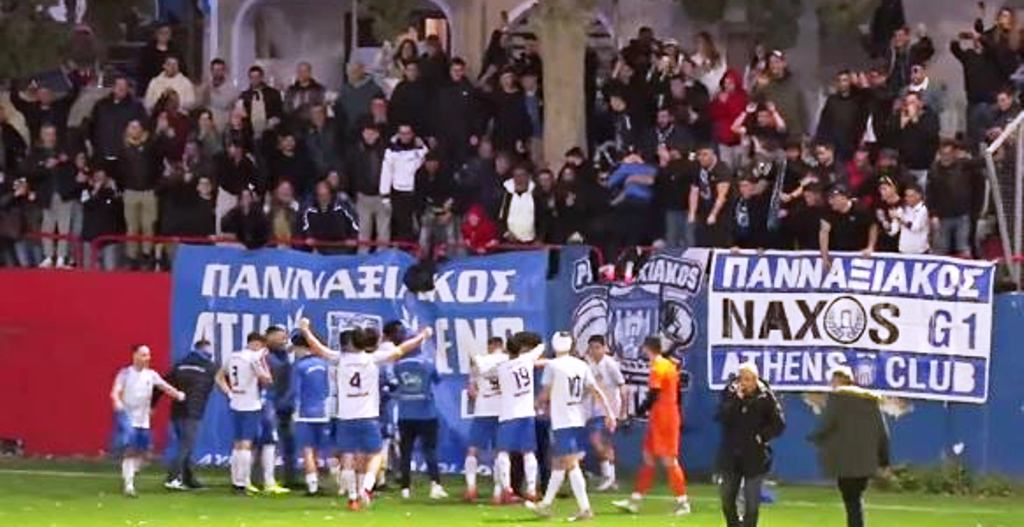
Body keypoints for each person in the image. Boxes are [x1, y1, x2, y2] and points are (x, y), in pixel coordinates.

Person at [297, 318, 432, 510]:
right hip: (368, 417)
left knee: (348, 457)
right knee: (375, 454)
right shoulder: (372, 359)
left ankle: (352, 497)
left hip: (345, 417)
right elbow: (402, 350)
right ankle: (366, 488)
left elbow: (317, 348)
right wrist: (422, 336)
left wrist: (305, 330)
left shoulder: (339, 359)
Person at [526, 332, 616, 522]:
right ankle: (546, 504)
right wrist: (609, 411)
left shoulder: (553, 366)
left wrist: (533, 406)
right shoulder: (581, 365)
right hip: (577, 417)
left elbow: (545, 393)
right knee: (559, 463)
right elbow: (596, 390)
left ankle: (585, 508)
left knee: (570, 464)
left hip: (563, 420)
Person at [612, 337, 691, 516]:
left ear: (647, 348)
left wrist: (636, 412)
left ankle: (683, 503)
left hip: (664, 418)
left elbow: (653, 395)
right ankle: (635, 500)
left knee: (669, 461)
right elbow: (677, 394)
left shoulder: (658, 367)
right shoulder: (669, 365)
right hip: (662, 417)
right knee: (648, 458)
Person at [808, 367, 891, 527]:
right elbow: (882, 433)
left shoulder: (837, 399)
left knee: (851, 501)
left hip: (844, 461)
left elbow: (827, 425)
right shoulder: (870, 400)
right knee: (855, 499)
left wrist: (813, 437)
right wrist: (884, 461)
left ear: (838, 381)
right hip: (866, 462)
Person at [472, 331, 546, 503]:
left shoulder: (502, 367)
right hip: (527, 413)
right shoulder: (527, 360)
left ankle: (506, 489)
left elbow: (482, 368)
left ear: (507, 350)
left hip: (508, 414)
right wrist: (531, 339)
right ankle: (531, 489)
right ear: (521, 349)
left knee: (503, 451)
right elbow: (541, 347)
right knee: (528, 451)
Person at [110, 344, 185, 497]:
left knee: (145, 453)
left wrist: (178, 394)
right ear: (135, 355)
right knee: (130, 450)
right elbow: (115, 391)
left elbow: (165, 387)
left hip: (143, 420)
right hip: (128, 417)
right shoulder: (125, 373)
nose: (147, 358)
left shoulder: (151, 375)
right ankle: (129, 484)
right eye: (144, 355)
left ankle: (130, 471)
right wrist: (117, 402)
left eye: (148, 355)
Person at [716, 362, 786, 527]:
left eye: (747, 379)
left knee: (752, 502)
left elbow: (779, 424)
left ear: (755, 379)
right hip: (731, 454)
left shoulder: (765, 397)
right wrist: (737, 401)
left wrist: (762, 436)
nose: (743, 383)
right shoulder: (730, 393)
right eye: (741, 379)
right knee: (727, 498)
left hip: (754, 455)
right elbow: (722, 416)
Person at [390, 320, 448, 500]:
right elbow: (438, 380)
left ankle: (405, 488)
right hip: (427, 413)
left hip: (405, 413)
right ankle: (435, 485)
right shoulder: (427, 362)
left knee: (405, 451)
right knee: (429, 450)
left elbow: (394, 385)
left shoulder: (397, 364)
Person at [215, 332, 273, 495]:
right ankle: (242, 483)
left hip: (235, 403)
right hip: (250, 405)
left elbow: (219, 377)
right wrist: (263, 362)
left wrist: (229, 393)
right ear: (256, 344)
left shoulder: (233, 356)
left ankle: (235, 481)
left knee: (237, 443)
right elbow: (266, 379)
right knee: (246, 444)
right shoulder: (253, 358)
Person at [163, 339, 217, 491]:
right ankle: (173, 478)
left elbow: (164, 384)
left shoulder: (180, 364)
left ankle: (188, 479)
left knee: (185, 444)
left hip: (177, 410)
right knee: (186, 445)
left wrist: (153, 404)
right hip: (193, 411)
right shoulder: (209, 366)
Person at [26, 124, 76, 268]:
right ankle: (48, 256)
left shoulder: (64, 151)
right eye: (48, 134)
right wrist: (45, 167)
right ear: (42, 136)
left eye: (53, 134)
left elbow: (73, 171)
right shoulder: (36, 153)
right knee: (47, 226)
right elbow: (30, 172)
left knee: (64, 226)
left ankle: (61, 257)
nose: (51, 137)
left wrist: (65, 162)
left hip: (64, 194)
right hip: (46, 195)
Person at [464, 336, 505, 502]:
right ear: (501, 346)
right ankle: (497, 492)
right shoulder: (509, 361)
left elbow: (471, 391)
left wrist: (483, 395)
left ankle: (471, 488)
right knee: (500, 452)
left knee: (473, 450)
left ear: (489, 347)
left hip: (483, 410)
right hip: (502, 411)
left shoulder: (479, 363)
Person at [290, 334, 332, 495]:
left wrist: (293, 411)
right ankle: (339, 483)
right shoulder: (325, 364)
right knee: (325, 450)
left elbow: (295, 391)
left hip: (305, 413)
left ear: (301, 348)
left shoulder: (299, 366)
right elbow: (328, 388)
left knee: (308, 449)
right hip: (324, 412)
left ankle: (312, 486)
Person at [586, 335, 626, 492]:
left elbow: (623, 387)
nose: (594, 351)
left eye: (597, 347)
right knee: (603, 443)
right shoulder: (589, 365)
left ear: (604, 348)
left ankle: (608, 476)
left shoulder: (610, 364)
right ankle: (610, 477)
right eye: (591, 348)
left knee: (598, 440)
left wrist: (623, 411)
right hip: (596, 409)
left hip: (610, 410)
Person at [258, 326, 294, 493]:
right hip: (268, 403)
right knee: (267, 440)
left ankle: (289, 478)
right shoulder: (263, 356)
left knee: (287, 442)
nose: (283, 340)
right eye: (280, 337)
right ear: (269, 337)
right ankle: (266, 480)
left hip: (285, 404)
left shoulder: (285, 355)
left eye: (285, 337)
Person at [380, 124, 429, 242]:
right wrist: (385, 196)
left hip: (415, 193)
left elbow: (427, 159)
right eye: (402, 133)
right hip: (399, 194)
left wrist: (422, 146)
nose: (405, 136)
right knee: (402, 227)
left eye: (407, 133)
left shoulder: (418, 150)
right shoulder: (391, 151)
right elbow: (386, 174)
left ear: (412, 134)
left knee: (418, 226)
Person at [346, 121, 388, 252]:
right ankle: (363, 259)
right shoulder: (355, 151)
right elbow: (350, 172)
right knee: (363, 232)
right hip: (363, 196)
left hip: (382, 196)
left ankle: (383, 259)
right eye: (366, 133)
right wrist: (354, 192)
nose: (369, 136)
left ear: (377, 134)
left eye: (372, 133)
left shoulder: (386, 151)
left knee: (384, 232)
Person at [89, 77, 147, 171]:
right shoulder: (101, 105)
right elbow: (92, 127)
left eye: (124, 86)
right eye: (118, 85)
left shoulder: (137, 107)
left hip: (126, 160)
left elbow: (144, 129)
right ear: (113, 88)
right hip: (102, 157)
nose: (121, 88)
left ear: (128, 88)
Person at [819, 184, 878, 269]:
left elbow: (873, 226)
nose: (830, 202)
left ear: (843, 197)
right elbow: (824, 232)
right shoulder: (829, 212)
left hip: (860, 253)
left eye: (833, 198)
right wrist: (825, 257)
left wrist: (870, 246)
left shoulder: (860, 208)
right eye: (829, 199)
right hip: (840, 253)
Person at [689, 144, 734, 248]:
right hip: (704, 209)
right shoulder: (698, 169)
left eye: (705, 154)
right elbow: (694, 191)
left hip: (722, 212)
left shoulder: (722, 169)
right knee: (701, 240)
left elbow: (722, 196)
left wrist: (713, 214)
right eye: (699, 155)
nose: (701, 158)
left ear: (713, 155)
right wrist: (692, 212)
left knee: (719, 240)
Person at [497, 164, 539, 245]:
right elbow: (500, 217)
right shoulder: (506, 196)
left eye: (522, 175)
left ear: (528, 177)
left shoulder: (536, 195)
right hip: (510, 243)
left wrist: (539, 238)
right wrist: (506, 233)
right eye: (516, 175)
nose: (519, 179)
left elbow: (542, 218)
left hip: (532, 243)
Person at [197, 58, 238, 131]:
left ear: (224, 71)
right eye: (215, 70)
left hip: (223, 125)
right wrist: (204, 90)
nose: (217, 73)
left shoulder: (231, 88)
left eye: (220, 70)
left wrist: (212, 90)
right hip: (207, 124)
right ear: (211, 71)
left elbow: (224, 104)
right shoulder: (206, 85)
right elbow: (200, 102)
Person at [284, 62, 326, 126]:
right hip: (294, 123)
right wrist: (294, 106)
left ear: (309, 73)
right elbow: (286, 109)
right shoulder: (291, 90)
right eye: (299, 71)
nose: (301, 74)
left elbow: (321, 108)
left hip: (312, 123)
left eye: (304, 71)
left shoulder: (318, 89)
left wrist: (304, 107)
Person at [891, 183, 929, 254]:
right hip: (904, 250)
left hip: (919, 251)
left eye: (911, 196)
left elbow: (915, 227)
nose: (907, 198)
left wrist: (900, 219)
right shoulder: (902, 208)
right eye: (906, 196)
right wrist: (887, 222)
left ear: (918, 196)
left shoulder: (922, 209)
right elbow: (893, 230)